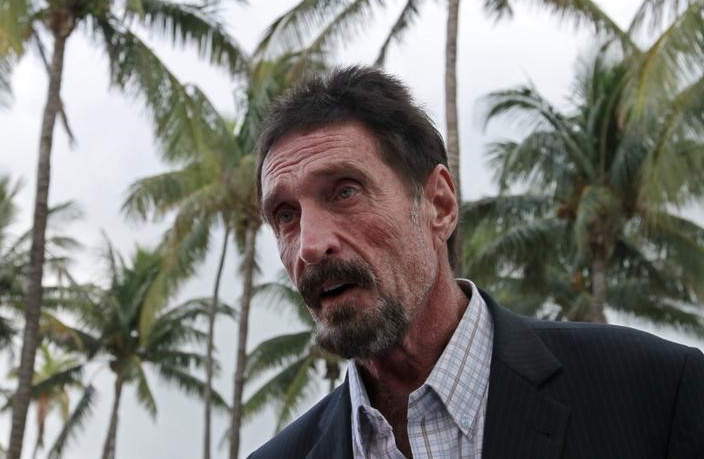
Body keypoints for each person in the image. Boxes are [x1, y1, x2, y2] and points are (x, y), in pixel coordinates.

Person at [249, 66, 704, 459]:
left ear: (439, 205)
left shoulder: (654, 392)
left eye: (344, 191)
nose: (309, 245)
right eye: (285, 216)